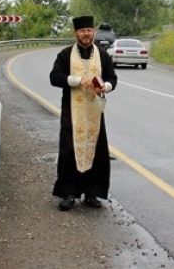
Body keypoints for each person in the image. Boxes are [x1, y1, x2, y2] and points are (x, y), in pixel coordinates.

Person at [49, 15, 118, 211]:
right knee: (69, 151)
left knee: (97, 151)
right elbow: (54, 77)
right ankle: (68, 193)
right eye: (82, 31)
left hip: (95, 111)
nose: (86, 34)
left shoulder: (102, 55)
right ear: (76, 33)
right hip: (72, 111)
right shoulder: (65, 54)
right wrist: (78, 81)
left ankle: (91, 193)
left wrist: (106, 86)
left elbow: (112, 78)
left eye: (88, 30)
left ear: (93, 31)